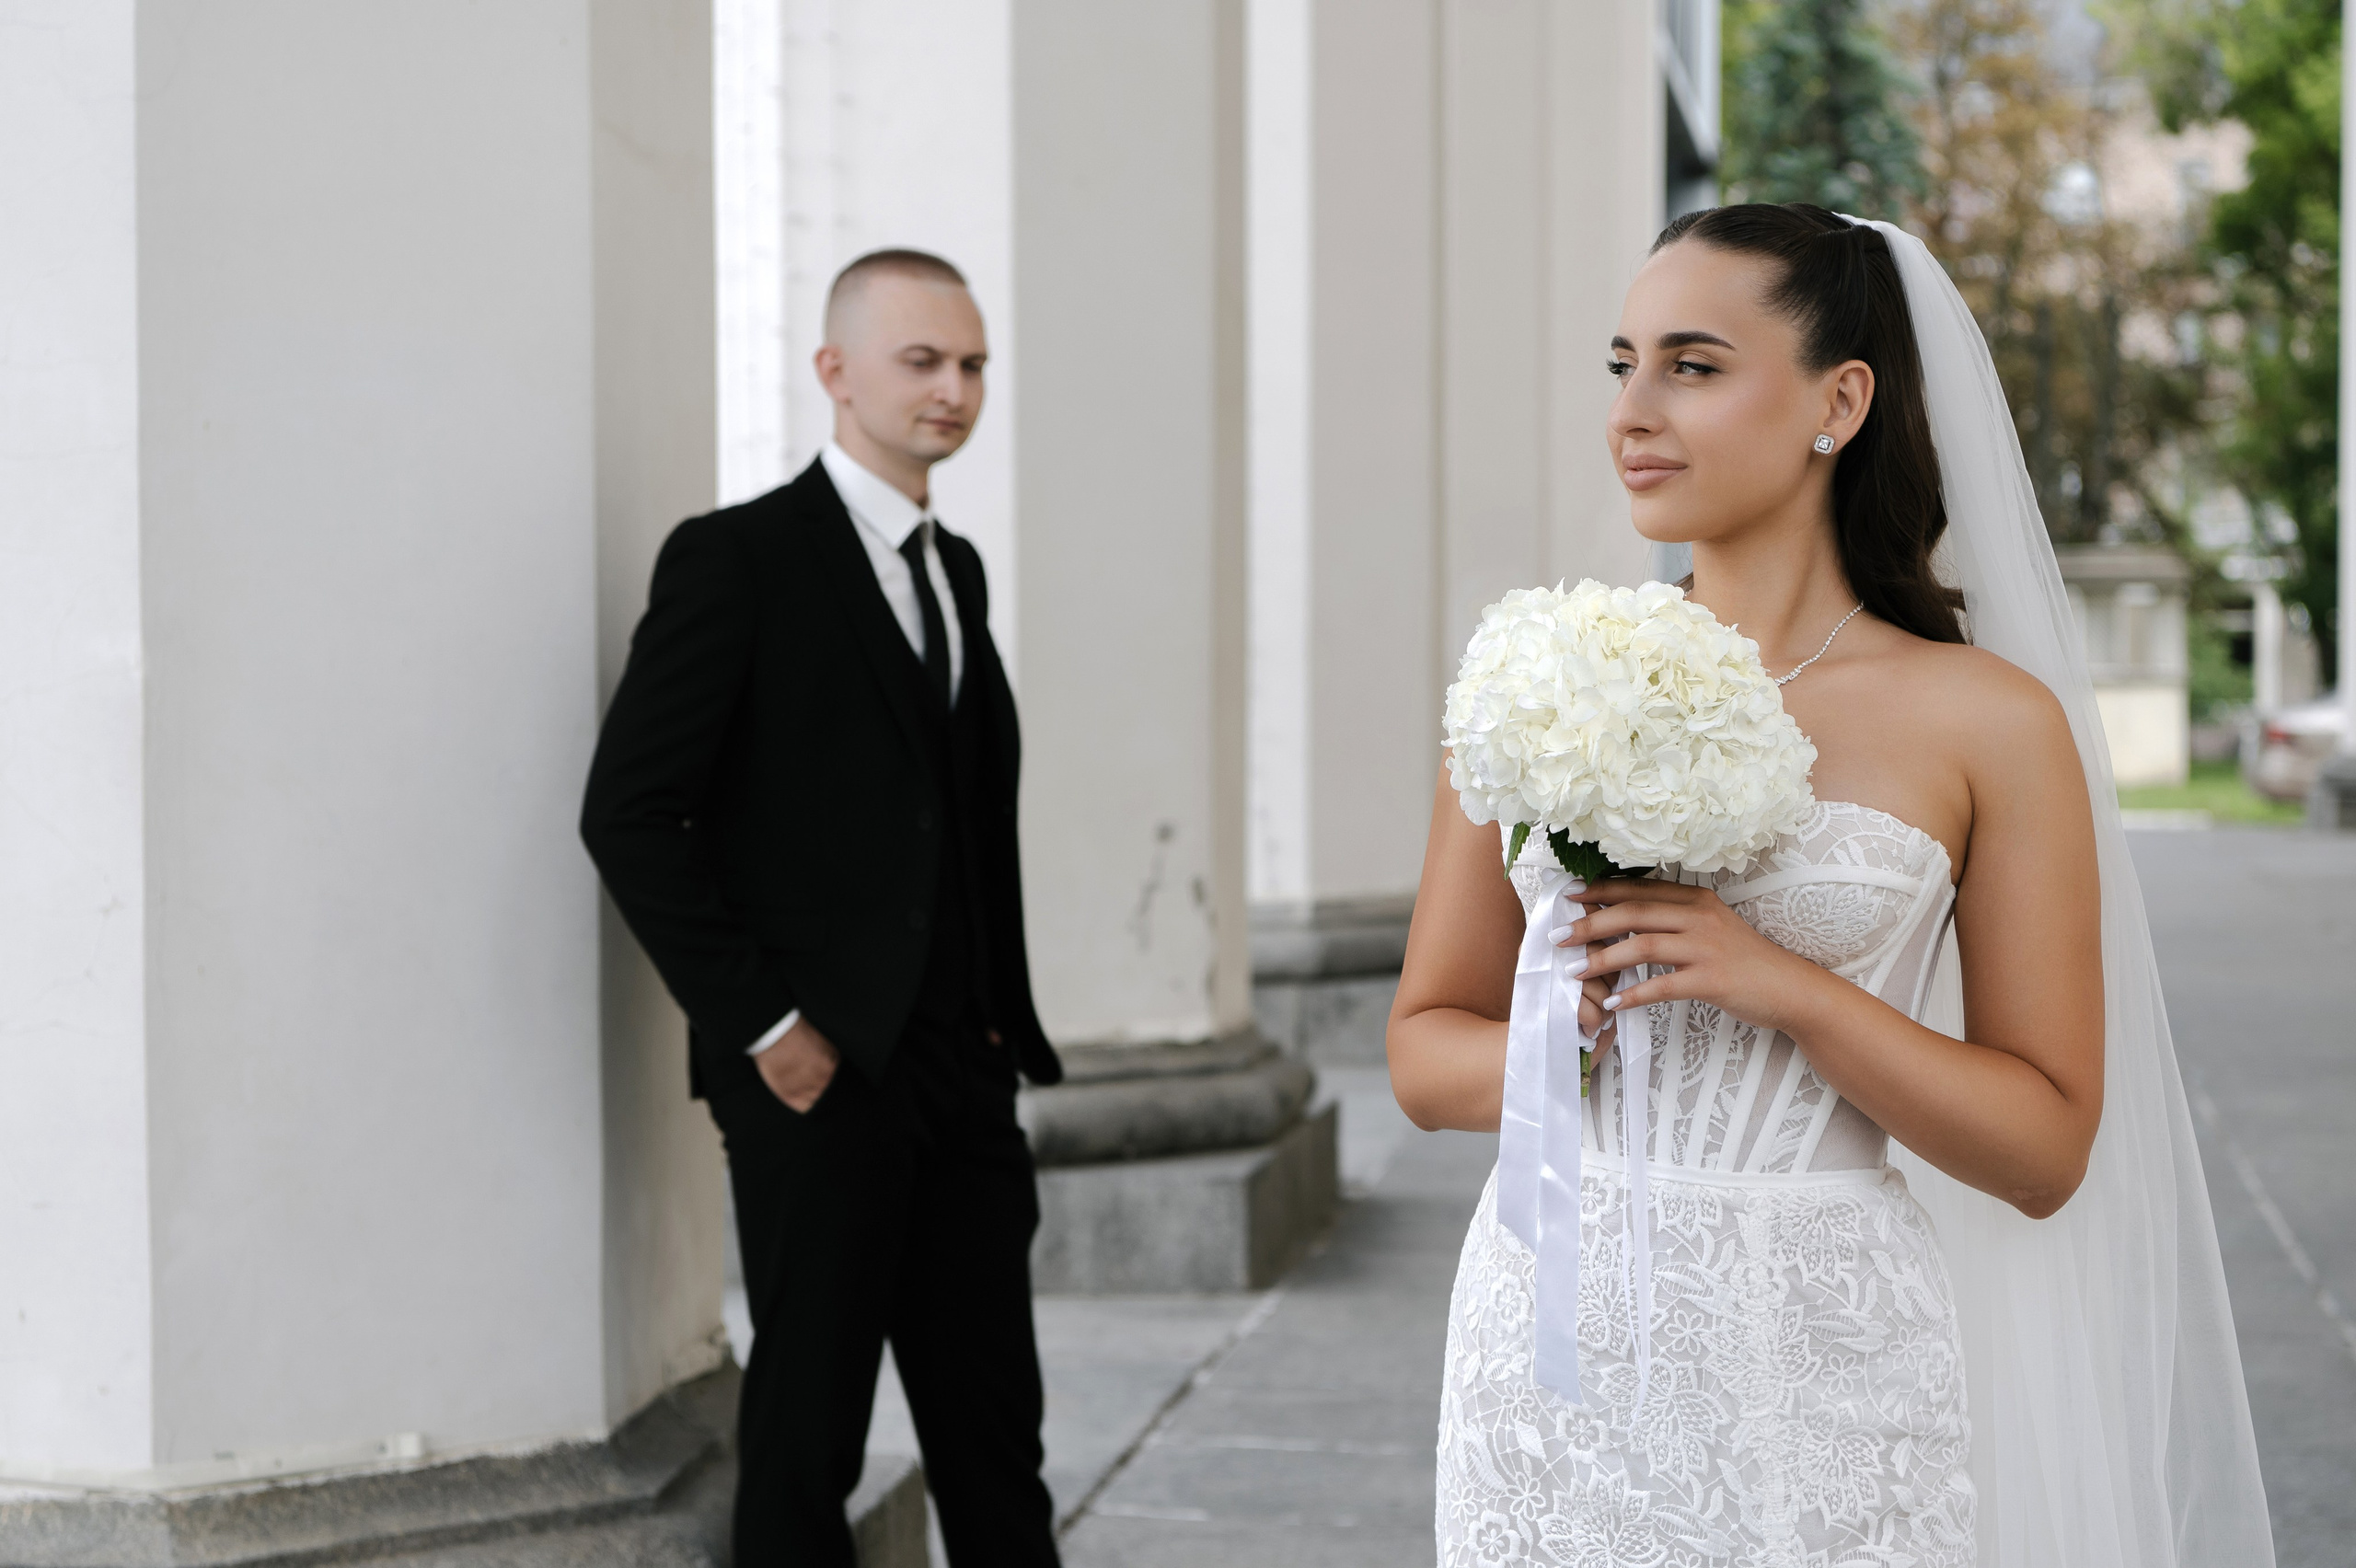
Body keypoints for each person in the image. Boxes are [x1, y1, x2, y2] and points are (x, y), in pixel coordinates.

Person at [1392, 204, 2273, 1567]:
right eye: (1620, 363)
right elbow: (1419, 1053)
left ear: (1838, 400)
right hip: (1544, 1361)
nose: (1634, 409)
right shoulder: (1532, 677)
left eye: (1692, 365)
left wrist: (1786, 990)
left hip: (1822, 1364)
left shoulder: (1987, 721)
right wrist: (1543, 1047)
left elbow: (2042, 1151)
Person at [581, 248, 1063, 1565]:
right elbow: (628, 814)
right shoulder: (737, 561)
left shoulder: (952, 569)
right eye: (924, 361)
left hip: (963, 1078)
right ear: (834, 372)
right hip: (819, 1079)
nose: (955, 389)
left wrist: (991, 1039)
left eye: (972, 365)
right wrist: (769, 1029)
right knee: (806, 1445)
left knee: (994, 1441)